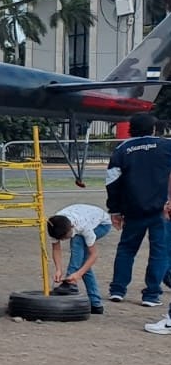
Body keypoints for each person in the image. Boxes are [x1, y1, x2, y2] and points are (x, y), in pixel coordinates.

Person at [105, 111, 171, 309]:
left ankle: (118, 289)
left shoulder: (122, 149)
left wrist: (114, 210)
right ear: (153, 128)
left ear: (131, 129)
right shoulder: (166, 146)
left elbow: (112, 182)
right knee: (159, 252)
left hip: (132, 209)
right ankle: (151, 294)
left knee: (126, 249)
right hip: (161, 209)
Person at [46, 203, 113, 315]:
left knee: (77, 241)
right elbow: (56, 249)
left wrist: (78, 274)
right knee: (82, 261)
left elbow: (94, 255)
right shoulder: (54, 226)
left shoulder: (83, 227)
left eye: (65, 237)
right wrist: (58, 269)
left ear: (71, 227)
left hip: (102, 224)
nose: (63, 240)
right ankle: (96, 304)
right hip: (82, 218)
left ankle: (70, 284)